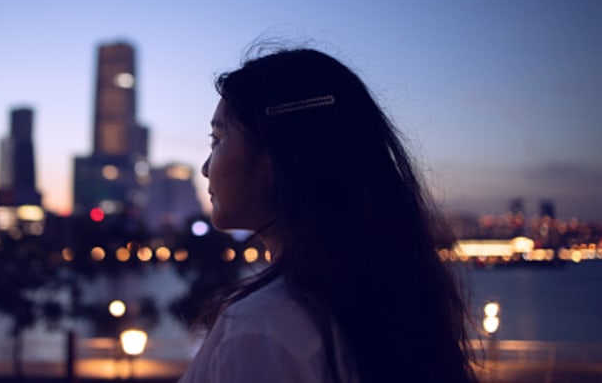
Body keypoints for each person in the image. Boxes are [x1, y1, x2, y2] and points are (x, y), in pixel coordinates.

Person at [178, 46, 477, 383]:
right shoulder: (389, 302)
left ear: (276, 155)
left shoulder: (261, 328)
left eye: (217, 139)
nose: (205, 168)